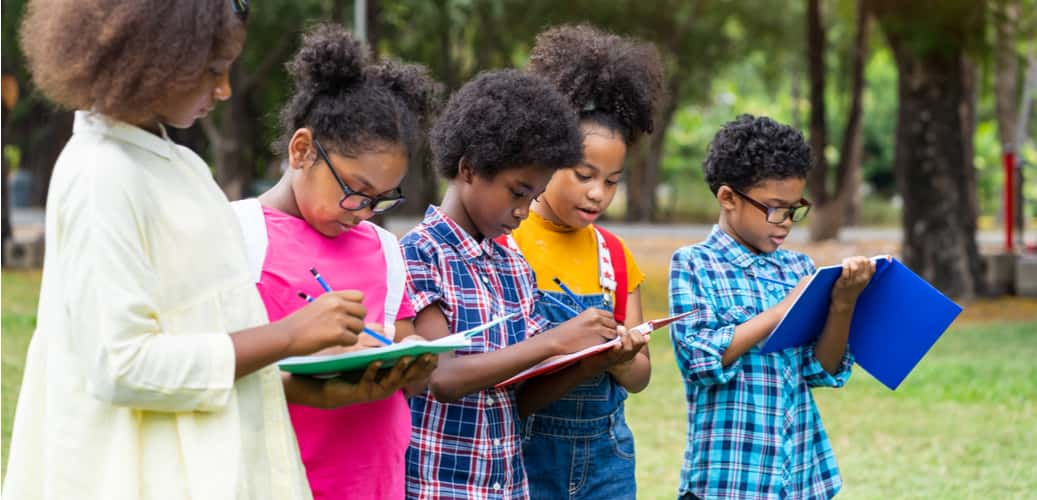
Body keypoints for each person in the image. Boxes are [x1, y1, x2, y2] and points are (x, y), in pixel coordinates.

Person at [4, 2, 367, 499]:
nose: (224, 90)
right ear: (151, 58)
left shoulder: (179, 164)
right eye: (212, 71)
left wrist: (292, 380)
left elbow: (202, 334)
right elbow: (123, 365)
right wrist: (287, 335)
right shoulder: (101, 174)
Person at [231, 24, 440, 499]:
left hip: (377, 481)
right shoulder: (238, 235)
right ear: (302, 151)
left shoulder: (383, 250)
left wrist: (414, 366)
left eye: (382, 199)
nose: (365, 212)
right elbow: (211, 362)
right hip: (281, 480)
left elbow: (400, 338)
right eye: (355, 190)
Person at [401, 69, 627, 499]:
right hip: (439, 486)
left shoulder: (512, 264)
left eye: (534, 196)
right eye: (517, 192)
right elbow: (443, 377)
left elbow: (517, 399)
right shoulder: (418, 253)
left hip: (506, 486)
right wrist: (557, 341)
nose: (524, 211)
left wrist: (588, 362)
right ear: (468, 169)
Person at [668, 114, 876, 500]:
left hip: (799, 478)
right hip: (728, 482)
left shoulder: (799, 268)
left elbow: (820, 370)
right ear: (728, 198)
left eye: (795, 210)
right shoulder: (695, 264)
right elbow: (699, 360)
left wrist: (843, 304)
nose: (785, 223)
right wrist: (780, 312)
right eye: (775, 208)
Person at [509, 24, 664, 500]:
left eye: (612, 181)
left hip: (607, 461)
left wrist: (621, 355)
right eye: (583, 175)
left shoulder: (614, 255)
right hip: (529, 455)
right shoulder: (509, 240)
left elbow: (640, 377)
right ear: (548, 156)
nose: (598, 193)